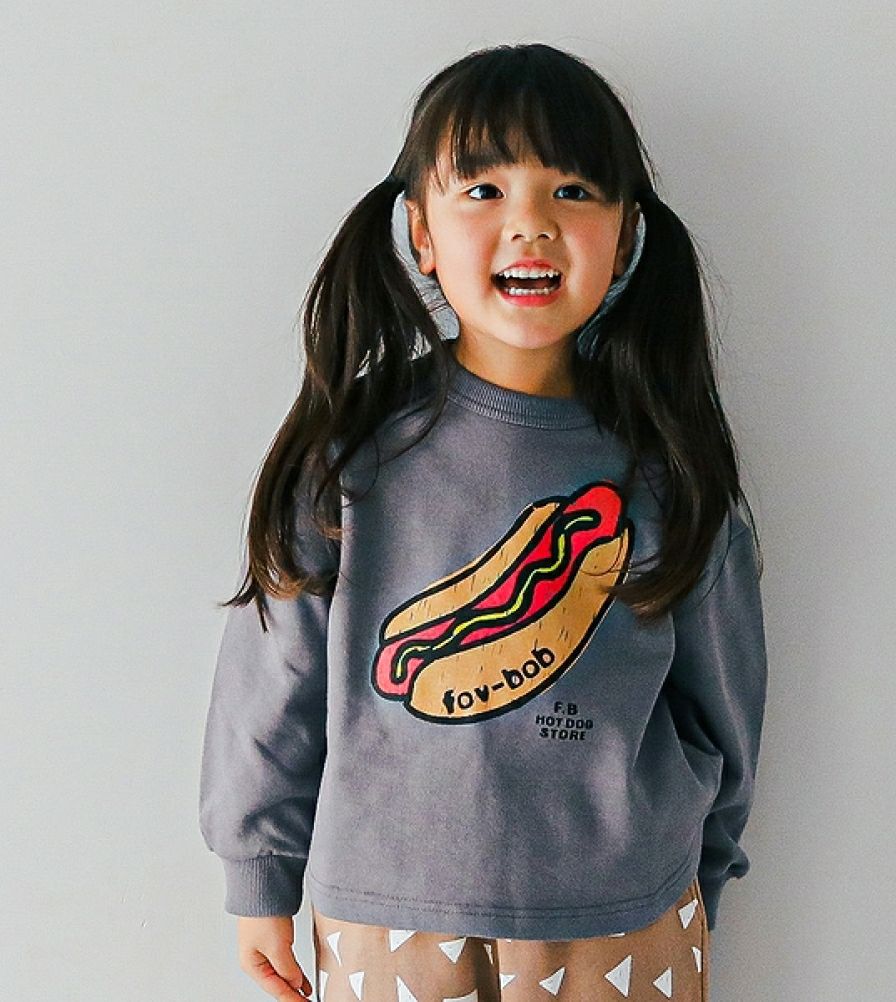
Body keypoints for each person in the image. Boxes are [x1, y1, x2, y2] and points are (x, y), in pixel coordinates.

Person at [199, 41, 768, 1002]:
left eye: (573, 191)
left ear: (627, 236)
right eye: (484, 190)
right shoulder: (348, 456)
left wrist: (698, 879)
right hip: (386, 913)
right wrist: (259, 876)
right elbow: (272, 676)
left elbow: (725, 708)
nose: (530, 224)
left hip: (627, 913)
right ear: (420, 234)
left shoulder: (670, 468)